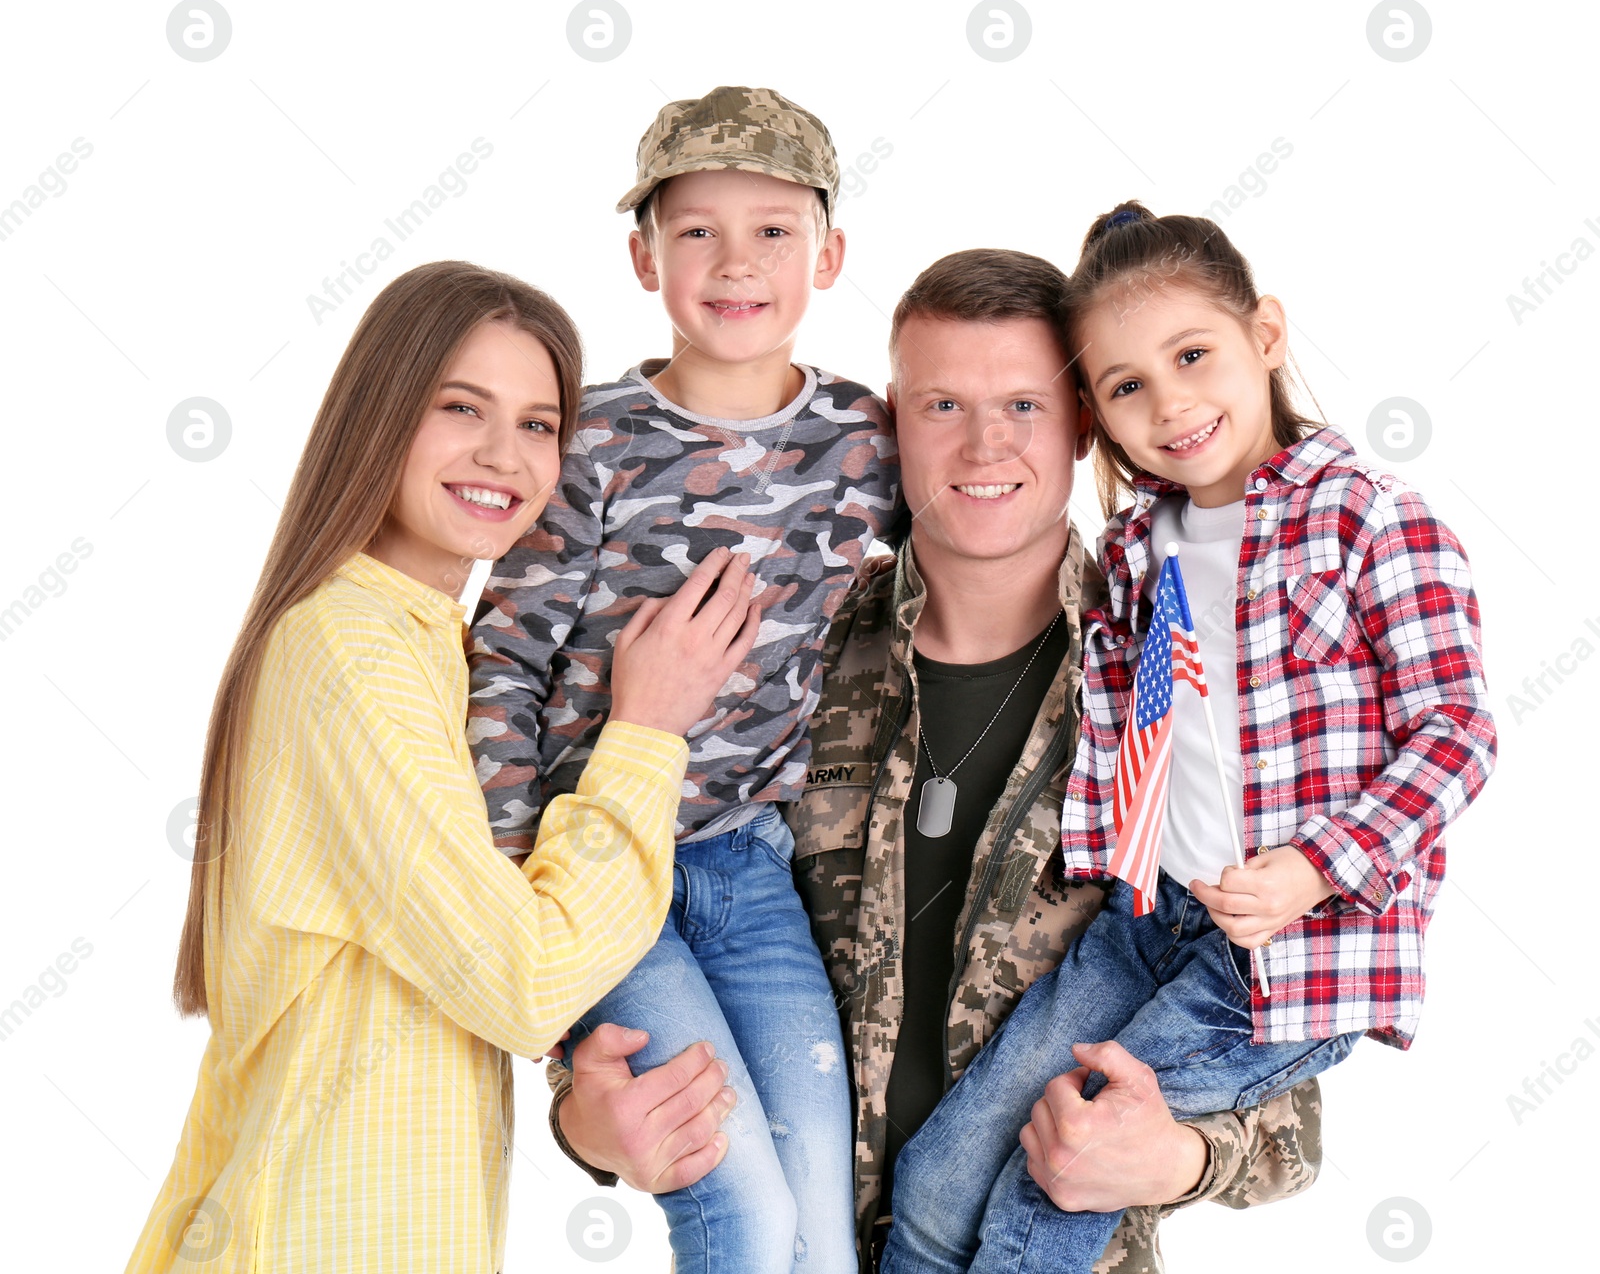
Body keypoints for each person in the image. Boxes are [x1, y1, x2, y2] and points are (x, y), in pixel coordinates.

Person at [545, 248, 1327, 1274]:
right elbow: (630, 908)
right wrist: (585, 1120)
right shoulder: (780, 660)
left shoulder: (1181, 681)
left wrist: (1175, 1155)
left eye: (1023, 406)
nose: (982, 444)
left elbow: (1286, 1064)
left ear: (1084, 422)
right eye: (942, 405)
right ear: (889, 423)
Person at [880, 206, 1498, 1272]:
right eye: (1125, 386)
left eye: (1192, 355)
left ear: (1264, 333)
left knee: (1059, 1177)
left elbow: (1457, 730)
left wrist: (1314, 867)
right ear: (1096, 417)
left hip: (1275, 957)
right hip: (1139, 922)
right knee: (935, 1183)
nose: (1169, 404)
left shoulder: (1366, 520)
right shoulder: (1132, 549)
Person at [124, 261, 760, 1274]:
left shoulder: (438, 654)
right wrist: (647, 731)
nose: (503, 456)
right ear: (380, 415)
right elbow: (526, 975)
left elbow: (461, 975)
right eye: (461, 408)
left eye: (539, 425)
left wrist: (573, 1109)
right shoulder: (346, 649)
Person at [466, 87, 897, 1272]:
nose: (735, 260)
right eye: (696, 229)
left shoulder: (866, 440)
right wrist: (521, 902)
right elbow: (503, 659)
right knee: (736, 1202)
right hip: (596, 866)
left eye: (772, 229)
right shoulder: (592, 439)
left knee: (821, 1195)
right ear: (643, 255)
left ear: (830, 253)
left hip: (750, 867)